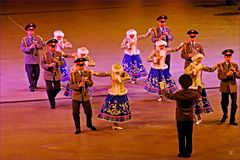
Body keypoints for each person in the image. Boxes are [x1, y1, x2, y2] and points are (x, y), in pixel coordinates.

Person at [160, 74, 202, 158]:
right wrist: (199, 85)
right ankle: (188, 152)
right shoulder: (193, 94)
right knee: (189, 136)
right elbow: (199, 93)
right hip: (189, 118)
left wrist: (162, 88)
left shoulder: (178, 94)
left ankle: (182, 152)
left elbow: (168, 95)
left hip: (180, 118)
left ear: (181, 84)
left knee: (181, 136)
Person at [92, 64, 131, 130]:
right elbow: (102, 74)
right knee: (112, 106)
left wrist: (121, 79)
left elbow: (128, 77)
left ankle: (116, 124)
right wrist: (94, 73)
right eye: (116, 72)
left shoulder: (123, 73)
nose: (117, 73)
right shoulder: (111, 73)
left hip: (121, 92)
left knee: (120, 107)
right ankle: (114, 124)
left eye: (118, 72)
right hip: (113, 92)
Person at [184, 54, 217, 124]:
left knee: (198, 102)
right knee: (191, 103)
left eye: (200, 59)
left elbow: (210, 69)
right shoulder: (191, 66)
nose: (200, 61)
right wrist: (194, 71)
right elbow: (186, 73)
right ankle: (192, 116)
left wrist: (216, 66)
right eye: (198, 59)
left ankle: (199, 118)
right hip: (192, 86)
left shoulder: (201, 66)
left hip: (199, 86)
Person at [70, 58, 96, 134]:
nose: (81, 66)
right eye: (79, 65)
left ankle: (89, 124)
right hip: (76, 96)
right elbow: (71, 85)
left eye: (82, 65)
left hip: (85, 95)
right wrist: (78, 86)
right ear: (76, 65)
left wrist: (87, 82)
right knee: (75, 113)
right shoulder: (73, 74)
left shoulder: (87, 73)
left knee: (88, 112)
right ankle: (77, 128)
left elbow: (91, 83)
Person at [216, 49, 240, 126]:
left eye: (230, 56)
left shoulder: (235, 65)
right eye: (227, 56)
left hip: (233, 87)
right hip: (225, 87)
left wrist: (235, 72)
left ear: (231, 57)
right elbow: (220, 77)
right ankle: (225, 114)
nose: (228, 58)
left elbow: (239, 76)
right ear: (224, 57)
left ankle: (232, 120)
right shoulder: (221, 65)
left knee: (234, 104)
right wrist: (227, 75)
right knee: (224, 103)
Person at [40, 38, 64, 109]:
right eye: (51, 46)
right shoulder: (45, 55)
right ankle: (52, 102)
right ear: (48, 47)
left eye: (54, 46)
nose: (53, 48)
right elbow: (42, 64)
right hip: (48, 75)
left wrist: (57, 63)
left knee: (58, 88)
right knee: (49, 89)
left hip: (56, 74)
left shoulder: (59, 54)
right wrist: (49, 66)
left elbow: (62, 63)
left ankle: (51, 97)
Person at [20, 23, 44, 92]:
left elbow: (41, 47)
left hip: (36, 59)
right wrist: (29, 48)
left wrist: (36, 45)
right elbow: (22, 49)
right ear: (27, 31)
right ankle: (32, 86)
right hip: (28, 60)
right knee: (30, 73)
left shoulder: (37, 38)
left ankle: (35, 83)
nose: (31, 32)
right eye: (29, 30)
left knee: (37, 73)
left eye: (32, 30)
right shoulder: (24, 40)